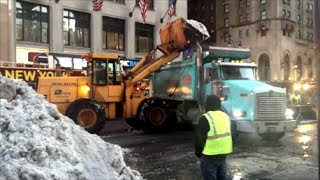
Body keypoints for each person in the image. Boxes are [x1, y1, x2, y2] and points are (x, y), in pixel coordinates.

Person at [195, 95, 233, 180]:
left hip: (209, 155)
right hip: (223, 153)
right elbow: (232, 133)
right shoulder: (226, 116)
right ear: (219, 104)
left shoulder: (205, 118)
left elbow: (199, 138)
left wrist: (199, 152)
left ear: (207, 105)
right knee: (222, 176)